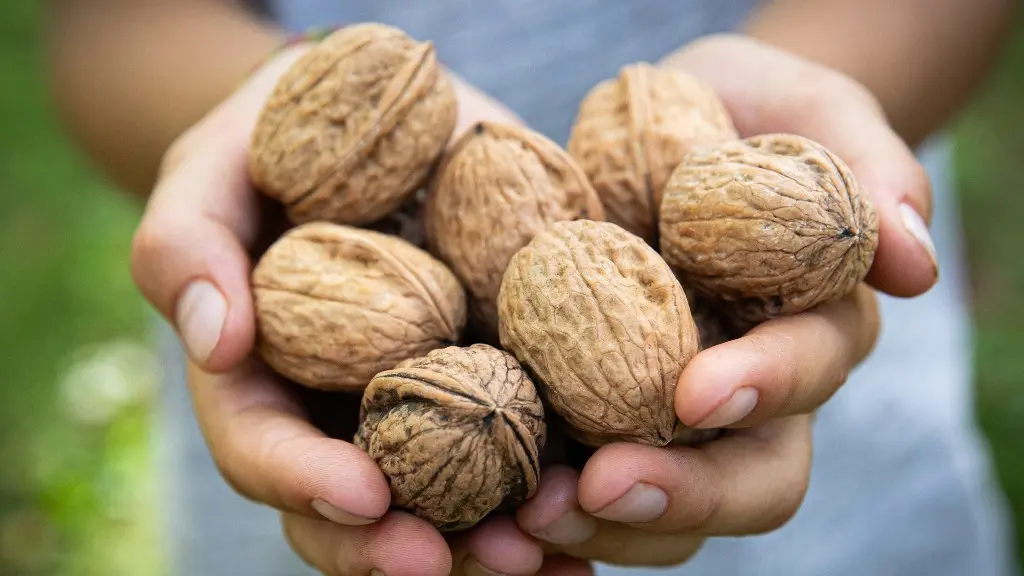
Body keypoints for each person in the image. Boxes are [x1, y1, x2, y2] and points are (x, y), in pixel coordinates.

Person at [47, 1, 1019, 574]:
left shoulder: (678, 235)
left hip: (849, 493)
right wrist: (239, 108)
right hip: (339, 418)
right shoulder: (417, 284)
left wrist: (822, 77)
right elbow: (108, 29)